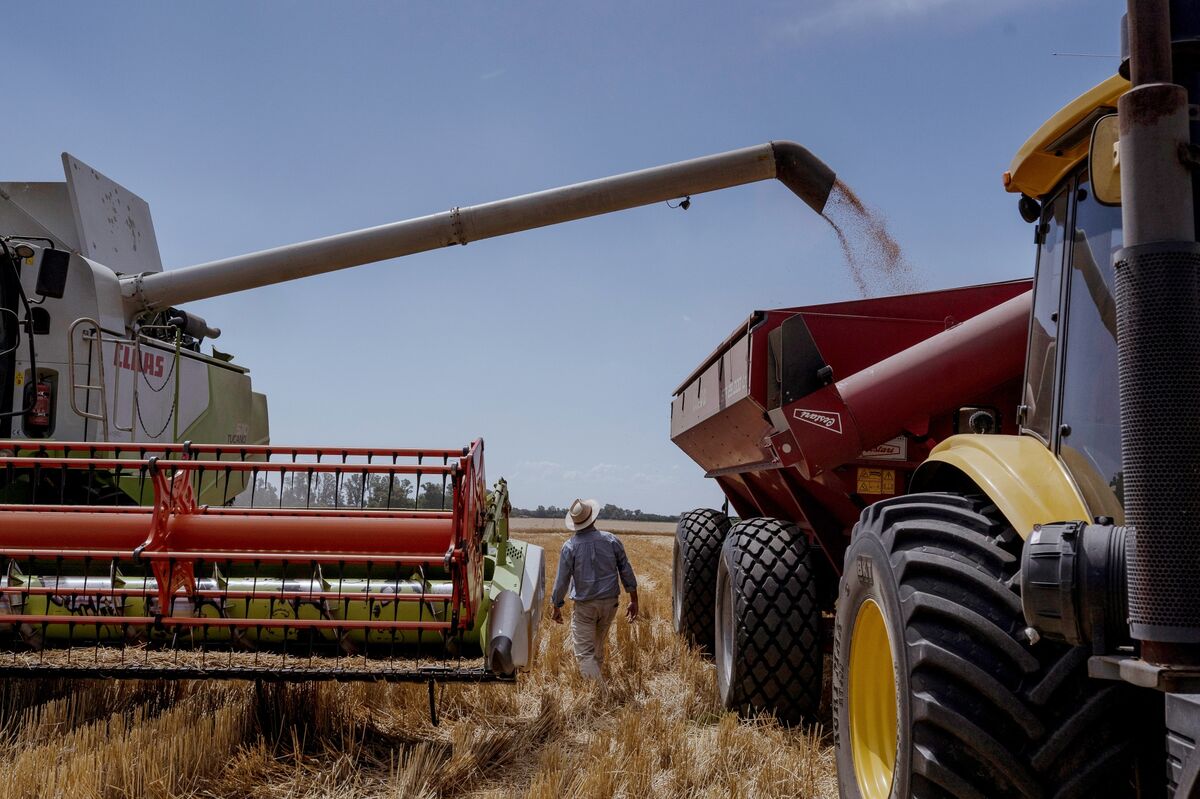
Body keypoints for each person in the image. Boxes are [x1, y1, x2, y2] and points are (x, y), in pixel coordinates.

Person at [550, 498, 638, 680]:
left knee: (584, 654)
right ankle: (596, 686)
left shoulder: (570, 546)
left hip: (586, 606)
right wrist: (634, 599)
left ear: (575, 523)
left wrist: (556, 605)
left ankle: (599, 695)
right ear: (593, 518)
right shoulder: (612, 540)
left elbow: (562, 580)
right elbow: (626, 570)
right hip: (610, 604)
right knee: (597, 649)